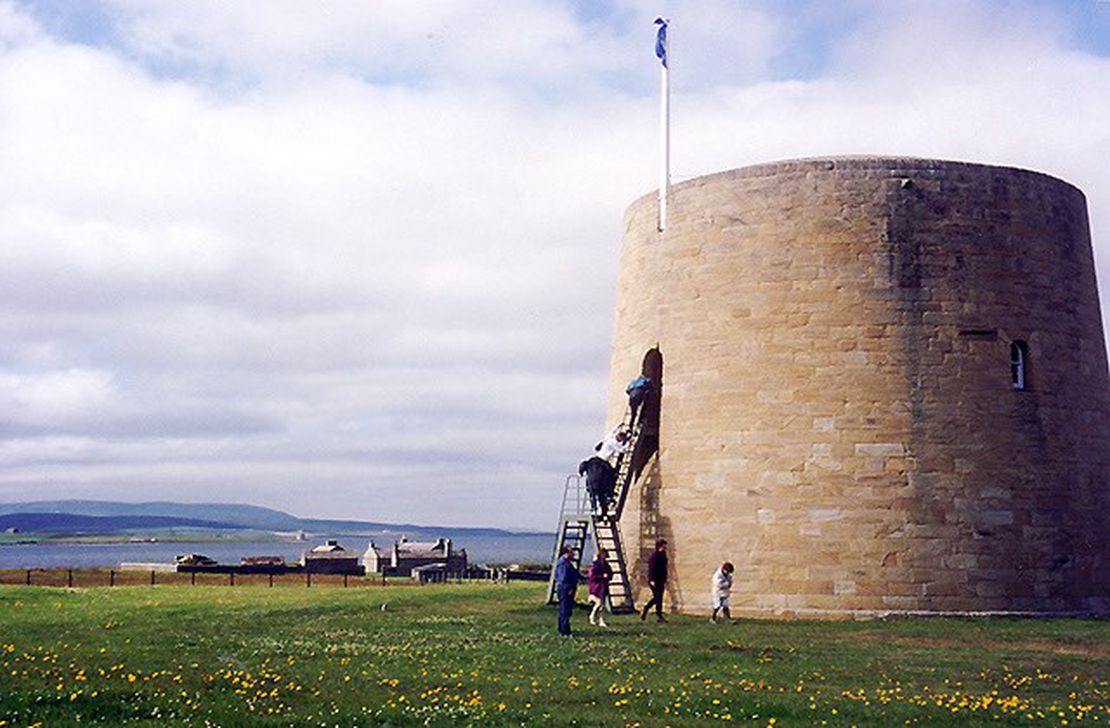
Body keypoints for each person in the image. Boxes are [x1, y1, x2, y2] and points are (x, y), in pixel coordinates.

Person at [640, 539, 668, 622]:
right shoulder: (654, 556)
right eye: (663, 546)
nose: (665, 548)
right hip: (654, 580)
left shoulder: (663, 555)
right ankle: (646, 609)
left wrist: (665, 578)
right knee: (657, 597)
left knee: (659, 598)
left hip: (661, 580)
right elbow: (651, 568)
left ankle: (659, 615)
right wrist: (652, 579)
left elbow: (664, 568)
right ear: (659, 546)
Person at [554, 546, 580, 636]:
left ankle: (564, 629)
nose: (573, 554)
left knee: (566, 609)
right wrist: (569, 588)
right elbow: (563, 577)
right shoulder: (563, 563)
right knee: (564, 609)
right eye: (571, 552)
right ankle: (564, 631)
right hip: (565, 589)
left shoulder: (568, 563)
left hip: (567, 588)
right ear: (566, 553)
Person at [587, 548, 613, 627]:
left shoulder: (606, 565)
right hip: (596, 587)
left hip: (603, 586)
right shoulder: (595, 565)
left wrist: (608, 576)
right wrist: (602, 576)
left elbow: (610, 573)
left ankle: (601, 620)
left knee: (602, 605)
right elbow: (591, 576)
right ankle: (592, 616)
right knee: (599, 603)